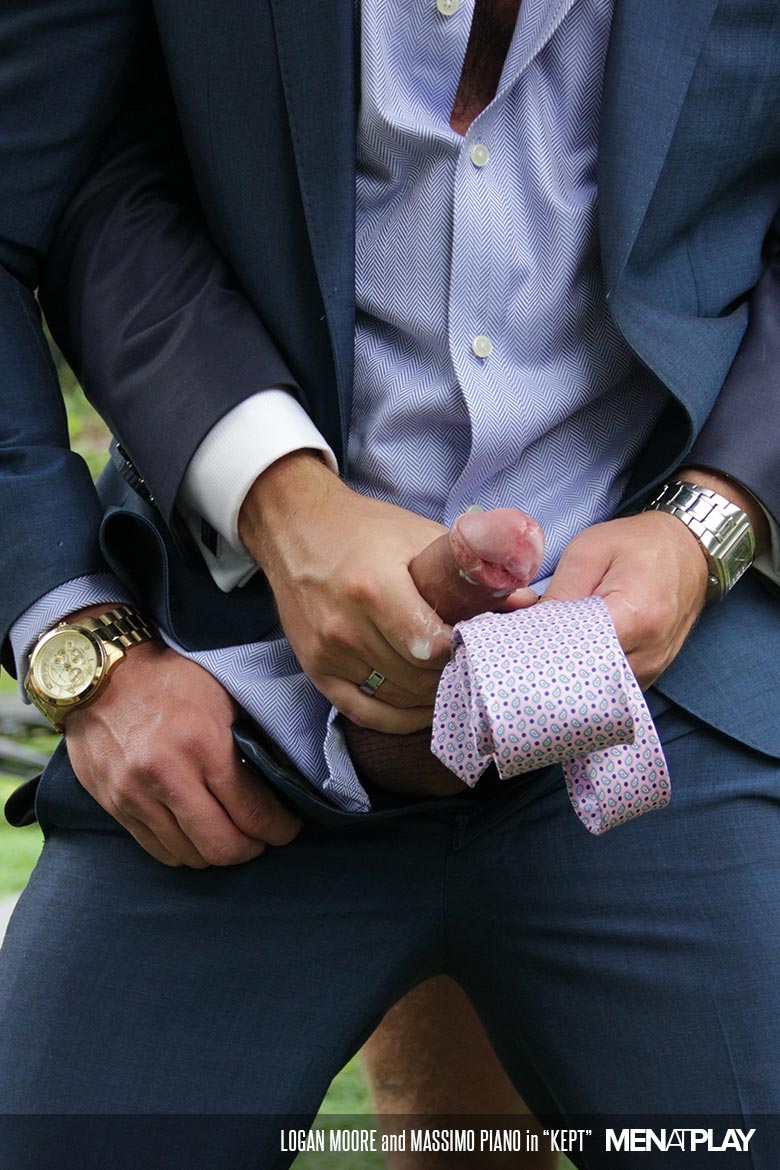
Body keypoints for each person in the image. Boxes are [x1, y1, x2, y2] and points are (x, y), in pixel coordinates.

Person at [1, 2, 779, 1168]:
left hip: (662, 702)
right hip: (226, 711)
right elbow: (47, 184)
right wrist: (89, 647)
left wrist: (712, 515)